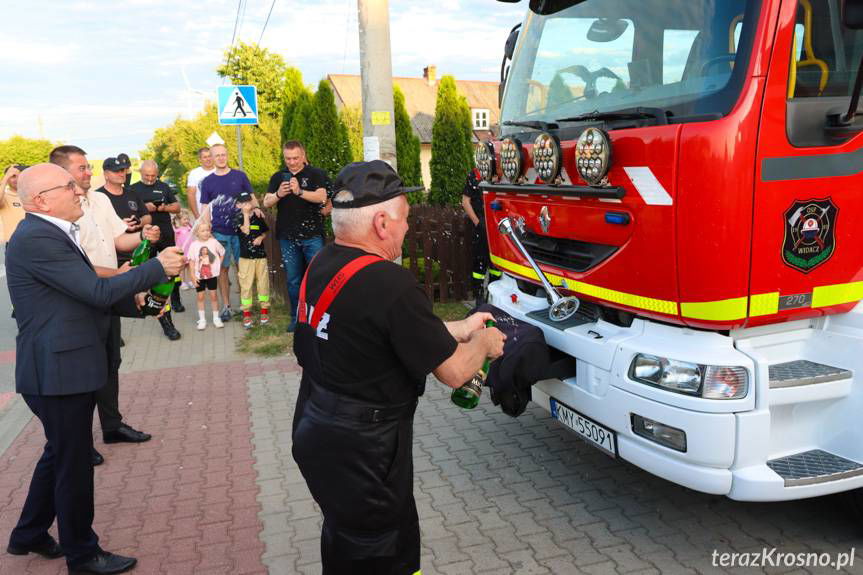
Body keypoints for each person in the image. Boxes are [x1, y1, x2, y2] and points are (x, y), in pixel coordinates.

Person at [291, 160, 506, 574]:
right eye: (405, 219)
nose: (408, 228)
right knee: (383, 552)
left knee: (345, 538)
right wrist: (482, 341)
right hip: (366, 450)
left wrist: (458, 327)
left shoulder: (325, 263)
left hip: (317, 428)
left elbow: (377, 330)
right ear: (382, 223)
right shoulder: (390, 283)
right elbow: (456, 373)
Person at [5, 163, 185, 575]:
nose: (79, 189)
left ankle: (29, 534)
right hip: (58, 372)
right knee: (72, 464)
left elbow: (81, 294)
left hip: (62, 368)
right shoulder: (37, 238)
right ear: (41, 200)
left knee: (59, 454)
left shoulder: (50, 233)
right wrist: (155, 270)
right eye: (68, 185)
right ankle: (83, 555)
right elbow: (94, 289)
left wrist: (135, 302)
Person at [50, 145, 157, 465]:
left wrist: (143, 238)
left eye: (88, 167)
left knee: (111, 361)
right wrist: (120, 276)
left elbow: (118, 240)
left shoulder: (99, 200)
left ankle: (112, 426)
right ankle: (80, 443)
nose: (89, 173)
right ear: (61, 174)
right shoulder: (59, 211)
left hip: (108, 293)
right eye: (81, 168)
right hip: (81, 300)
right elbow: (73, 267)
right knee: (84, 372)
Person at [262, 141, 329, 332]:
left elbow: (322, 197)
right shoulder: (278, 177)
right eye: (288, 158)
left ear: (303, 155)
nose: (292, 162)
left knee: (317, 277)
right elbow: (266, 202)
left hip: (312, 235)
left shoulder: (315, 174)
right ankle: (296, 317)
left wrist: (299, 192)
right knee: (293, 279)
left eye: (295, 158)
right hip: (287, 236)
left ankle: (318, 316)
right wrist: (278, 194)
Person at [199, 143, 253, 323]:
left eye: (223, 154)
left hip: (241, 232)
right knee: (222, 270)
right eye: (217, 155)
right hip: (220, 233)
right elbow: (205, 209)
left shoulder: (240, 176)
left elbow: (251, 199)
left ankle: (246, 306)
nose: (221, 158)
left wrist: (255, 210)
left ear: (227, 155)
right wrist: (208, 232)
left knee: (243, 268)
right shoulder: (207, 182)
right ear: (211, 158)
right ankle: (226, 306)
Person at [130, 160, 183, 340]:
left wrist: (162, 207)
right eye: (147, 176)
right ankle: (159, 312)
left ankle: (175, 297)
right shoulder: (133, 190)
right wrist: (146, 209)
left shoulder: (164, 187)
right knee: (152, 274)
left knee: (174, 269)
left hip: (166, 234)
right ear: (140, 173)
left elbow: (176, 208)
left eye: (153, 175)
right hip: (146, 237)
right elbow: (129, 215)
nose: (151, 179)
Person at [461, 167, 500, 308]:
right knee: (480, 262)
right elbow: (465, 201)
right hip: (482, 225)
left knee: (497, 264)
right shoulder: (475, 174)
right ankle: (479, 297)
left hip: (499, 225)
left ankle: (494, 296)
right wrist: (478, 223)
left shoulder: (504, 172)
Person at [234, 191, 270, 329]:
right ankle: (247, 314)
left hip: (260, 257)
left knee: (263, 283)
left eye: (248, 202)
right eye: (243, 203)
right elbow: (246, 231)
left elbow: (265, 231)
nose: (246, 205)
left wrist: (261, 237)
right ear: (238, 205)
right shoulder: (237, 218)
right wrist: (244, 214)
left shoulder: (258, 217)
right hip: (245, 258)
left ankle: (264, 312)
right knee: (246, 285)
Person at [187, 222, 225, 331]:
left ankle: (216, 318)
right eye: (202, 231)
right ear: (196, 233)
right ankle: (202, 319)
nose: (206, 233)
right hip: (199, 276)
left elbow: (222, 252)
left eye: (207, 230)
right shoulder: (194, 245)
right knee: (200, 297)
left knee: (213, 296)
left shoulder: (213, 242)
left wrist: (218, 264)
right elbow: (192, 261)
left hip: (212, 275)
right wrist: (192, 276)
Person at [1, 164, 27, 243]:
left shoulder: (31, 196)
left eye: (20, 176)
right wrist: (5, 177)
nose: (17, 179)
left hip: (29, 241)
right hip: (9, 243)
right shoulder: (4, 195)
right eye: (13, 176)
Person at [186, 147, 214, 220]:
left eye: (209, 156)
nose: (208, 159)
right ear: (200, 160)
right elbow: (191, 195)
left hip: (221, 215)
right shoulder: (194, 173)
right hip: (203, 215)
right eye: (205, 157)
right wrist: (197, 216)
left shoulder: (220, 171)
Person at [173, 210, 194, 288]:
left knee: (190, 266)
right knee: (183, 267)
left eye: (188, 219)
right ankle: (182, 282)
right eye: (185, 219)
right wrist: (177, 249)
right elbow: (175, 240)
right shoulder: (178, 230)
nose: (187, 221)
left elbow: (193, 229)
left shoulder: (189, 227)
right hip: (182, 251)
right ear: (179, 220)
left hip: (189, 250)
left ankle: (191, 280)